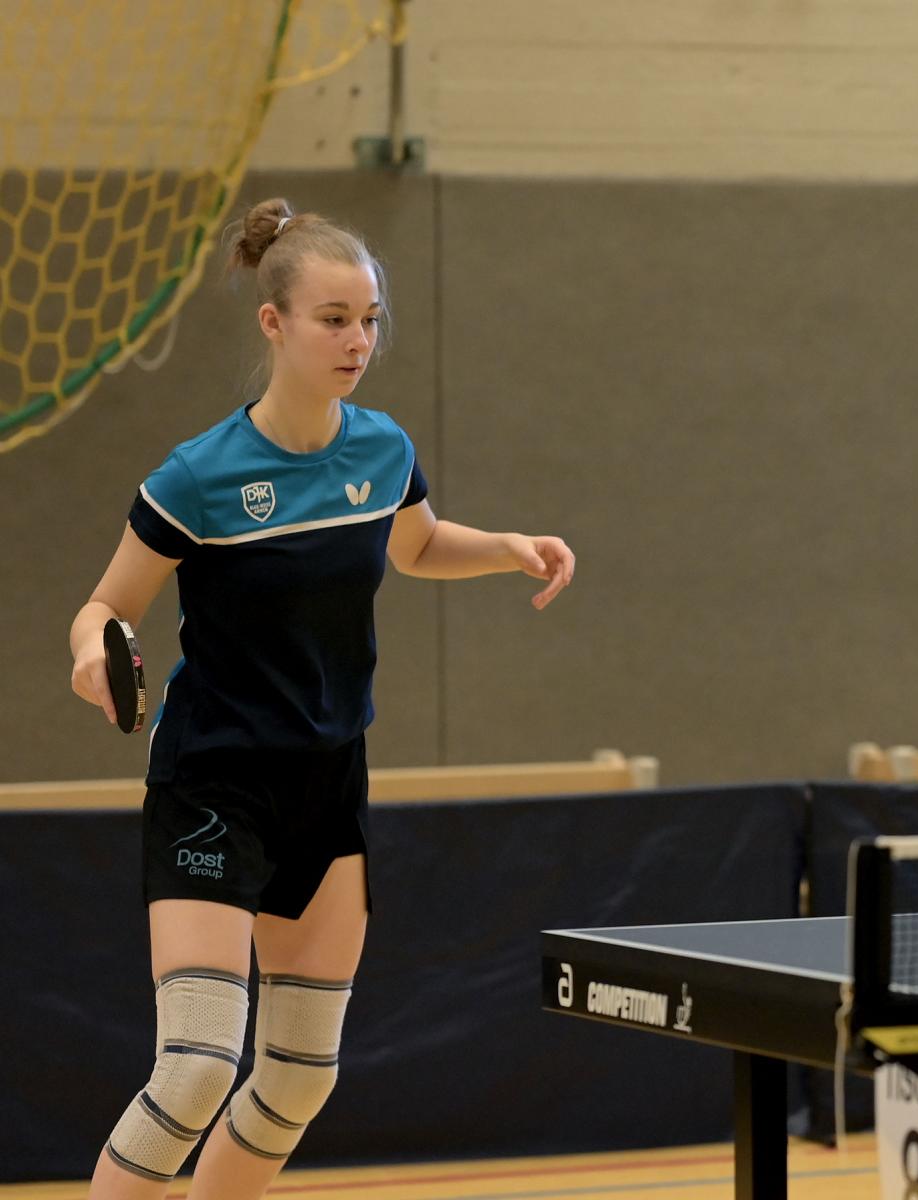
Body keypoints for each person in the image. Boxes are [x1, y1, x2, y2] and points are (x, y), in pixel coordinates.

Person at [68, 198, 575, 1199]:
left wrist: (507, 547)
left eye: (369, 320)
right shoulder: (198, 477)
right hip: (214, 784)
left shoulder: (381, 451)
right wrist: (95, 652)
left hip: (328, 787)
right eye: (334, 319)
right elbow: (106, 606)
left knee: (299, 1076)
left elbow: (417, 544)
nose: (358, 341)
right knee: (196, 1070)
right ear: (275, 323)